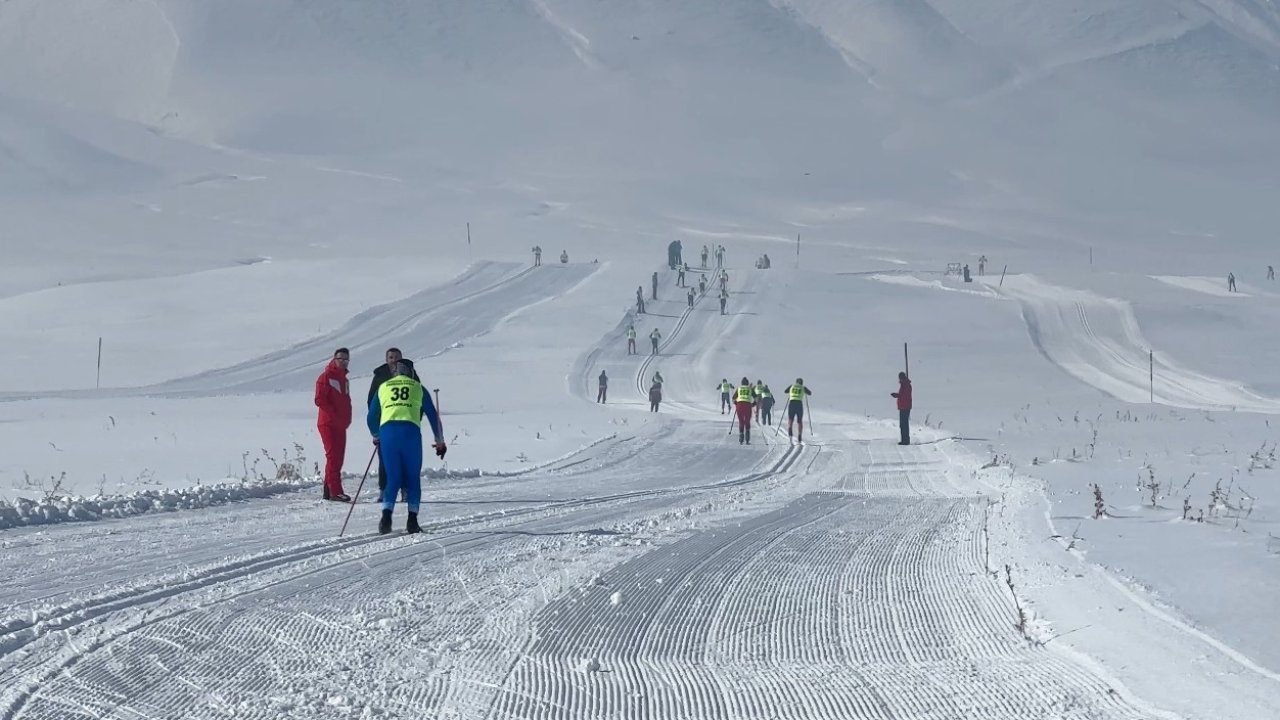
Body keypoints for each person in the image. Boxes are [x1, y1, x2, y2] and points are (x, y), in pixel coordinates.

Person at [367, 360, 446, 535]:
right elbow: (433, 416)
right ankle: (412, 520)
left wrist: (376, 436)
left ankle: (386, 518)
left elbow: (371, 417)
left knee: (393, 477)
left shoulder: (383, 387)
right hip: (410, 432)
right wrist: (439, 441)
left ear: (395, 372)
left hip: (388, 432)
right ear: (409, 372)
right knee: (412, 477)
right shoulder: (418, 387)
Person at [368, 348, 420, 499]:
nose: (393, 360)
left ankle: (405, 489)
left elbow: (419, 400)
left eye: (396, 357)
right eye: (391, 357)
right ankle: (384, 490)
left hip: (407, 424)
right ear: (386, 359)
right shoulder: (380, 376)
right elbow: (371, 400)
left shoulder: (411, 374)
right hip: (385, 424)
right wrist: (376, 428)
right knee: (385, 459)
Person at [314, 347, 352, 502]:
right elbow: (319, 399)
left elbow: (346, 401)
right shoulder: (325, 377)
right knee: (333, 457)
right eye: (340, 358)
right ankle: (335, 491)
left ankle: (328, 488)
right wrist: (334, 414)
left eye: (345, 359)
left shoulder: (344, 380)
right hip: (328, 423)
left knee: (338, 457)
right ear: (334, 359)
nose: (342, 362)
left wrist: (346, 418)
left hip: (340, 425)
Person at [784, 378, 812, 443]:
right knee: (799, 421)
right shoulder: (803, 387)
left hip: (792, 403)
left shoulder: (791, 386)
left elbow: (785, 391)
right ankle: (799, 435)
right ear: (802, 383)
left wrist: (791, 392)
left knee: (790, 419)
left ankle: (790, 434)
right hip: (799, 404)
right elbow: (810, 393)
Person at [891, 372, 912, 445]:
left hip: (905, 407)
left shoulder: (905, 385)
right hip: (904, 406)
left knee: (904, 424)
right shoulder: (905, 384)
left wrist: (897, 395)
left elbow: (904, 396)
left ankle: (905, 440)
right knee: (903, 424)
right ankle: (904, 440)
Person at [734, 377, 756, 445]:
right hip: (747, 405)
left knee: (741, 421)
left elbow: (733, 398)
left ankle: (741, 438)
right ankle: (747, 439)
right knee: (747, 421)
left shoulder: (739, 388)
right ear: (747, 383)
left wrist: (736, 403)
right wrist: (753, 404)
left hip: (739, 405)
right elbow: (756, 398)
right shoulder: (750, 389)